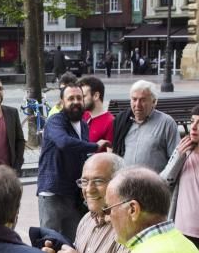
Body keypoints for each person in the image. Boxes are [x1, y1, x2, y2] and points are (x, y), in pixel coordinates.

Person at [37, 84, 110, 239]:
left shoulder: (83, 125)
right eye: (71, 98)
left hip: (73, 194)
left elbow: (80, 156)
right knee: (50, 241)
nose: (76, 102)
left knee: (75, 240)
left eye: (79, 98)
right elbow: (64, 142)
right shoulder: (55, 121)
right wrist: (95, 146)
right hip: (53, 192)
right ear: (62, 102)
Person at [112, 80, 180, 172]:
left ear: (154, 102)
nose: (137, 105)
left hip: (154, 184)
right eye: (134, 99)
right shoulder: (124, 121)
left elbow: (176, 159)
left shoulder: (166, 123)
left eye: (143, 100)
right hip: (127, 182)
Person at [161, 105, 199, 249]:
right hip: (183, 230)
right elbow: (163, 182)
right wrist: (178, 157)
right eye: (192, 121)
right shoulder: (184, 150)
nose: (193, 127)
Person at [78, 75, 114, 144]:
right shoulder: (84, 115)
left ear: (96, 96)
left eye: (83, 96)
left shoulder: (110, 123)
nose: (80, 100)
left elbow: (111, 153)